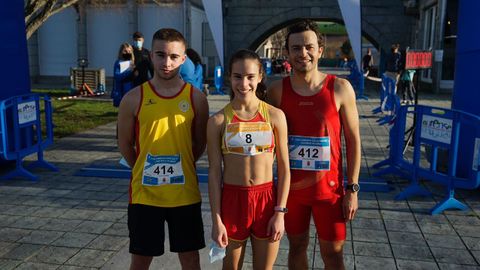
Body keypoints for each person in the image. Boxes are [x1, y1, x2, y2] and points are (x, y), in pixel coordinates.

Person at [267, 20, 361, 270]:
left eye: (309, 47)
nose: (303, 54)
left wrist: (352, 189)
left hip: (329, 194)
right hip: (292, 192)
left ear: (320, 49)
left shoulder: (340, 88)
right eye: (296, 48)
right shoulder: (276, 91)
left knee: (333, 254)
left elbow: (353, 141)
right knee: (297, 247)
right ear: (287, 53)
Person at [117, 28, 209, 270]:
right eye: (160, 55)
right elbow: (124, 143)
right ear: (151, 56)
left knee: (190, 260)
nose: (166, 63)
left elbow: (200, 143)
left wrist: (184, 162)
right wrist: (141, 167)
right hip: (145, 195)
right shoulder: (133, 98)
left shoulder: (196, 98)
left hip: (184, 194)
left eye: (173, 57)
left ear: (183, 59)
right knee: (140, 261)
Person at [207, 49, 290, 269]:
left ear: (261, 76)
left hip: (266, 201)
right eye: (237, 76)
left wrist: (280, 212)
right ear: (229, 77)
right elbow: (215, 173)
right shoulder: (217, 121)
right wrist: (217, 220)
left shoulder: (275, 116)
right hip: (233, 202)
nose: (244, 84)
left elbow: (284, 169)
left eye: (250, 77)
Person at [112, 43, 135, 107]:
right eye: (125, 51)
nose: (127, 53)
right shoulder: (118, 62)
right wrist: (128, 72)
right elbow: (117, 76)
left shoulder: (132, 62)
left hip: (130, 87)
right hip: (121, 89)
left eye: (129, 51)